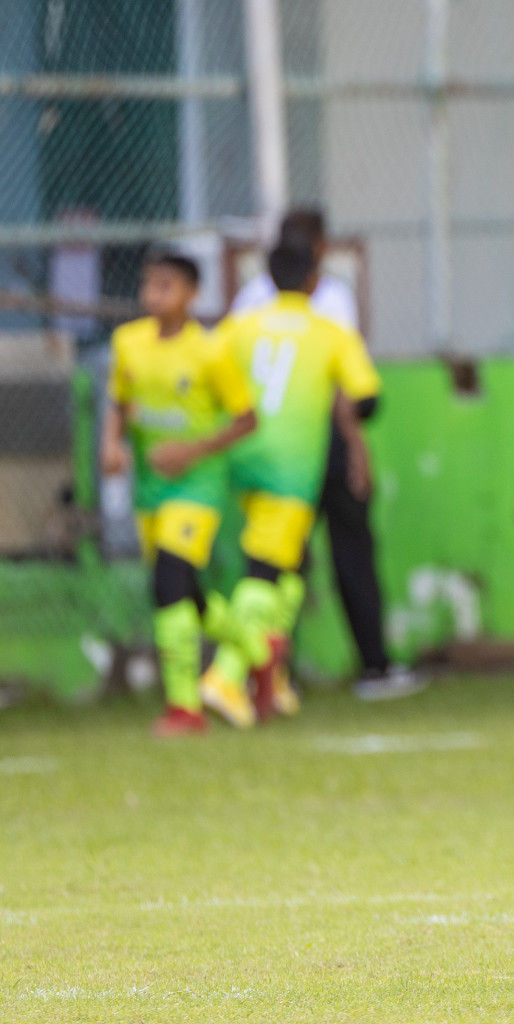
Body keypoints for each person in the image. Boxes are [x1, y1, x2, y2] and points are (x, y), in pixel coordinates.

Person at [231, 209, 419, 701]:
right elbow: (346, 388)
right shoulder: (328, 299)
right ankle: (373, 668)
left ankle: (269, 674)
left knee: (274, 559)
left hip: (258, 444)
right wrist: (357, 450)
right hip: (318, 439)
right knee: (350, 551)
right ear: (315, 254)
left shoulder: (248, 304)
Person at [198, 243, 382, 726]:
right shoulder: (330, 332)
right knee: (267, 567)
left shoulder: (242, 323)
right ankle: (226, 672)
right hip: (291, 466)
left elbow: (206, 365)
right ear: (314, 280)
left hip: (241, 453)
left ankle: (272, 678)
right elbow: (367, 398)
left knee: (291, 563)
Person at [101, 253, 257, 737]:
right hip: (150, 489)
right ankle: (256, 646)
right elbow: (120, 403)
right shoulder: (129, 342)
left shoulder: (210, 352)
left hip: (197, 486)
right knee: (189, 595)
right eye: (149, 285)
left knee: (168, 583)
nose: (154, 294)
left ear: (192, 293)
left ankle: (184, 708)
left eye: (166, 285)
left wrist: (192, 450)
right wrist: (111, 443)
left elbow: (246, 419)